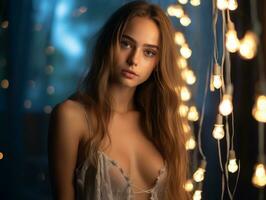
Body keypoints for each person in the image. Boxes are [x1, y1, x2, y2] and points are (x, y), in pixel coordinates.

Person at [48, 1, 190, 199]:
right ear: (109, 43)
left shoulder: (162, 122)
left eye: (148, 52)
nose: (134, 60)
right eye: (126, 43)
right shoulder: (72, 116)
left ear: (157, 63)